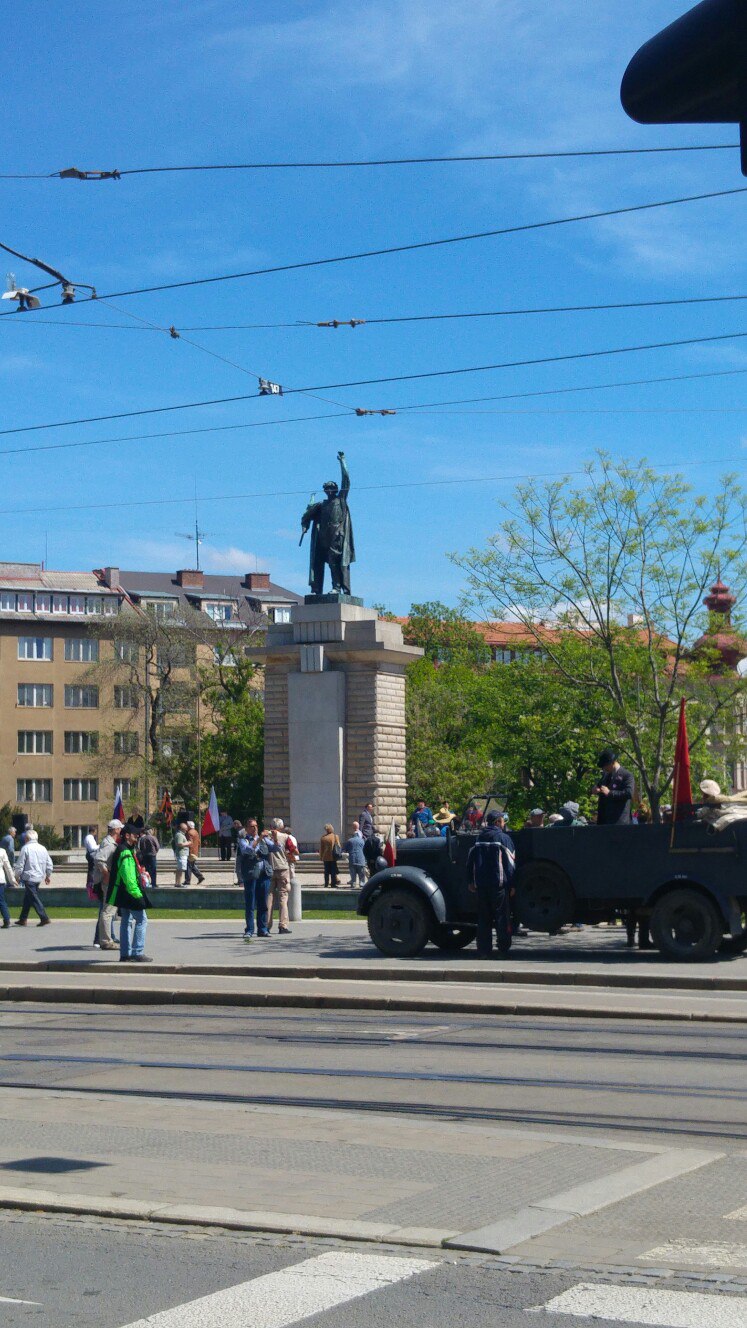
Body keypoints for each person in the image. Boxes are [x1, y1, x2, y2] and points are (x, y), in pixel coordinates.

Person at [300, 451, 355, 595]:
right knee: (320, 563)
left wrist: (342, 461)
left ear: (335, 489)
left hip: (337, 537)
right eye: (326, 489)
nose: (329, 491)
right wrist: (305, 526)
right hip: (323, 538)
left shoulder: (341, 499)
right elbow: (307, 515)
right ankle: (317, 588)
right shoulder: (321, 505)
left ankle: (337, 587)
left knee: (334, 562)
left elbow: (346, 480)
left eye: (331, 488)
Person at [466, 810, 516, 958]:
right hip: (498, 885)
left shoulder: (478, 838)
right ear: (497, 822)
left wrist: (470, 881)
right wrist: (512, 884)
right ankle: (502, 949)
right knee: (501, 917)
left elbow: (469, 861)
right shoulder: (503, 838)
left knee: (483, 918)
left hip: (481, 885)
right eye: (502, 821)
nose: (504, 823)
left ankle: (483, 951)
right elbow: (510, 863)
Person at [107, 821, 152, 962]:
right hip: (130, 893)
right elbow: (128, 877)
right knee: (142, 920)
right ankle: (137, 952)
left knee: (126, 921)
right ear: (127, 835)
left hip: (122, 894)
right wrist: (138, 896)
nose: (138, 836)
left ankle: (125, 954)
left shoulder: (124, 849)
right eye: (135, 834)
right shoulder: (125, 851)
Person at [236, 823, 271, 941]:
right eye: (252, 826)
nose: (255, 828)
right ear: (246, 829)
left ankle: (263, 929)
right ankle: (249, 930)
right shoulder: (243, 840)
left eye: (256, 825)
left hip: (264, 874)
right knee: (250, 904)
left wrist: (275, 838)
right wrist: (259, 839)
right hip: (251, 875)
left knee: (263, 903)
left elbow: (276, 848)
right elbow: (249, 851)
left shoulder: (264, 839)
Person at [91, 819, 122, 949]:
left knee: (107, 911)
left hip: (107, 881)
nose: (121, 831)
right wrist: (106, 874)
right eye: (119, 828)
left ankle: (105, 939)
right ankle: (106, 940)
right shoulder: (109, 844)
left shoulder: (109, 842)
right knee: (107, 911)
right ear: (115, 830)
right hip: (107, 882)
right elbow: (99, 859)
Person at [14, 830, 53, 927]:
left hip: (29, 877)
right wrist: (48, 875)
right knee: (28, 897)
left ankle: (44, 917)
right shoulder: (43, 848)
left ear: (27, 838)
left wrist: (16, 876)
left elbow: (20, 864)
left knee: (33, 898)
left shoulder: (25, 848)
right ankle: (23, 919)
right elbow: (49, 863)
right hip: (39, 876)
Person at [594, 749, 635, 825]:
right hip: (604, 821)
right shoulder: (606, 776)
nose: (604, 769)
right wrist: (596, 789)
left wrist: (610, 793)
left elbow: (629, 793)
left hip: (619, 822)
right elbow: (599, 787)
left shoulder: (627, 775)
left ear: (612, 763)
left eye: (605, 766)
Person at [266, 820, 292, 934]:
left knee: (269, 897)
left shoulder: (266, 836)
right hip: (282, 868)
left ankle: (266, 925)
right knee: (283, 897)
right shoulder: (286, 837)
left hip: (270, 868)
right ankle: (283, 925)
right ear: (281, 827)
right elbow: (293, 850)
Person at [344, 822, 367, 887]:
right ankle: (361, 884)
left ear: (353, 835)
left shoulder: (349, 840)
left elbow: (345, 849)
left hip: (352, 859)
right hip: (361, 860)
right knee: (362, 876)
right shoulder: (362, 841)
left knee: (353, 875)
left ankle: (353, 883)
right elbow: (364, 849)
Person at [137, 825, 160, 890]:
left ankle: (148, 882)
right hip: (152, 855)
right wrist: (155, 851)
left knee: (147, 869)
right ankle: (154, 883)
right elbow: (157, 846)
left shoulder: (142, 838)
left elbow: (140, 848)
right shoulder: (153, 838)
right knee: (153, 869)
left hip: (145, 855)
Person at [319, 823, 341, 887]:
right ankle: (333, 884)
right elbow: (338, 846)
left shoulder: (323, 838)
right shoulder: (335, 836)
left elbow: (321, 849)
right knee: (333, 871)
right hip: (333, 856)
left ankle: (326, 883)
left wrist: (321, 857)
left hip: (325, 857)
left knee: (326, 871)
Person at [0, 840, 14, 928]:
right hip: (0, 879)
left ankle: (7, 919)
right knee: (1, 900)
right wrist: (12, 879)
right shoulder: (2, 851)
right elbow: (7, 867)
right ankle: (7, 920)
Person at [83, 825, 99, 893]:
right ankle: (91, 882)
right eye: (95, 831)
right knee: (92, 869)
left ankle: (91, 882)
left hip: (90, 854)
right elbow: (92, 848)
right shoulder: (90, 837)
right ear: (93, 831)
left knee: (91, 869)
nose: (96, 833)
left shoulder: (89, 837)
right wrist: (100, 846)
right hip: (91, 854)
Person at [172, 821, 189, 887]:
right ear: (182, 828)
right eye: (186, 828)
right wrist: (188, 843)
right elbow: (179, 844)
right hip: (181, 854)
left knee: (180, 869)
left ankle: (177, 883)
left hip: (182, 854)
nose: (187, 829)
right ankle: (178, 883)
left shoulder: (181, 834)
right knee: (180, 869)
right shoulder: (179, 835)